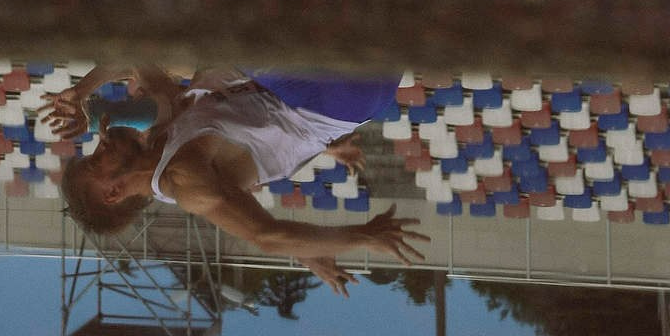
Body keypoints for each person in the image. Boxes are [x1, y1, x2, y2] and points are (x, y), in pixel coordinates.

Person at [51, 65, 429, 295]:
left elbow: (138, 55)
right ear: (114, 192)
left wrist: (82, 92)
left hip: (325, 100)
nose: (98, 148)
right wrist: (363, 235)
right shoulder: (185, 183)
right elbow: (266, 236)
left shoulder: (165, 132)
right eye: (95, 163)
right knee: (221, 44)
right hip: (328, 100)